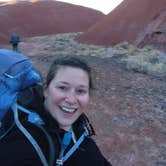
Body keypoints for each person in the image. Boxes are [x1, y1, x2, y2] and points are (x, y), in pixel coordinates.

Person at [0, 56, 112, 166]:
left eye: (80, 91)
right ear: (46, 90)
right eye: (62, 88)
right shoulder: (22, 145)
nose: (71, 100)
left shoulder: (79, 126)